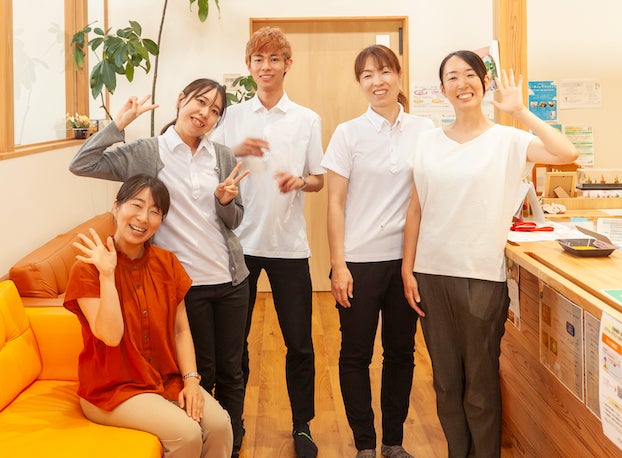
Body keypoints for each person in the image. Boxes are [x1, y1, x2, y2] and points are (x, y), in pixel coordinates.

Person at [401, 50, 578, 458]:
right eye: (452, 77)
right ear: (442, 88)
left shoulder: (508, 140)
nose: (461, 84)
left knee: (480, 385)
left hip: (482, 275)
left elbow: (566, 153)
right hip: (431, 274)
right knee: (446, 383)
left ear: (484, 83)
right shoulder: (427, 142)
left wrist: (521, 112)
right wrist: (408, 269)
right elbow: (416, 209)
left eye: (470, 75)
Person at [69, 79, 250, 458]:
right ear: (181, 99)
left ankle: (231, 444)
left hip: (228, 274)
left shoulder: (220, 155)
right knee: (206, 371)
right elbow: (82, 163)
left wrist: (224, 202)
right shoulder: (147, 152)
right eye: (200, 102)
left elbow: (234, 220)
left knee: (233, 371)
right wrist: (119, 124)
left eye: (215, 111)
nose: (205, 113)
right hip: (184, 280)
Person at [211, 26, 324, 458]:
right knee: (233, 344)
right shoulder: (231, 117)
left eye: (274, 59)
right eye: (258, 59)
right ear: (249, 65)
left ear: (287, 64)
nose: (266, 66)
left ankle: (302, 426)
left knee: (299, 343)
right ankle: (233, 423)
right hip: (237, 245)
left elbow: (317, 178)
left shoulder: (306, 119)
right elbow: (208, 166)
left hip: (289, 247)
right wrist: (235, 147)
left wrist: (301, 182)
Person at [64, 174, 233, 457]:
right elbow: (110, 336)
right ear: (116, 207)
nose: (143, 218)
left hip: (165, 380)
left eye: (155, 211)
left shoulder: (167, 263)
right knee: (187, 434)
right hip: (112, 390)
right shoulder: (88, 269)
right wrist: (107, 275)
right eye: (137, 205)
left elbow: (180, 330)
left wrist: (192, 381)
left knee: (220, 427)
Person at [321, 45, 434, 458]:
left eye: (384, 71)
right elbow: (334, 203)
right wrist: (338, 265)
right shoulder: (348, 133)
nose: (377, 81)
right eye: (367, 75)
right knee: (355, 354)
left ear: (399, 75)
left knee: (401, 353)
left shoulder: (424, 130)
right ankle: (365, 445)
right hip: (358, 263)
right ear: (360, 83)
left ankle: (393, 442)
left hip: (407, 262)